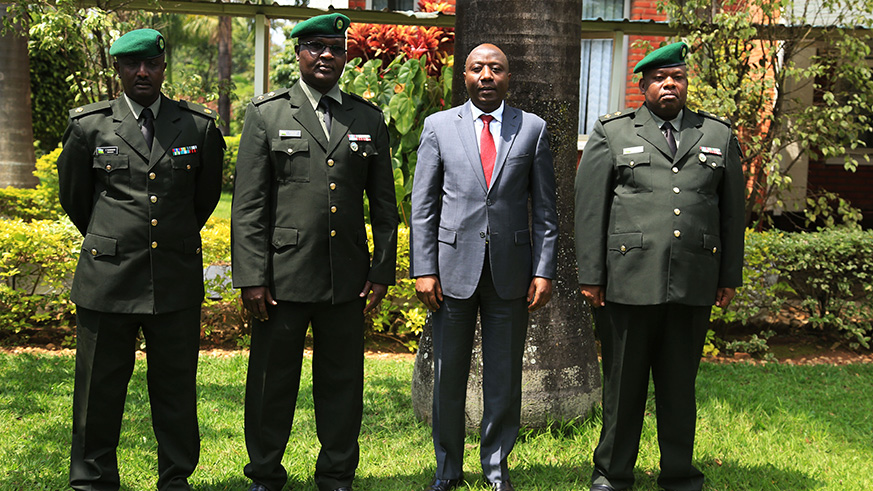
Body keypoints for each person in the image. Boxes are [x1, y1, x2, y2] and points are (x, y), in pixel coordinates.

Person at [231, 12, 398, 491]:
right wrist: (251, 277)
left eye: (337, 48)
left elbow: (384, 207)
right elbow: (248, 206)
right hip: (282, 276)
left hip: (347, 276)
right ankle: (264, 472)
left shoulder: (365, 118)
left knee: (342, 382)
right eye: (317, 47)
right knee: (271, 382)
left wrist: (381, 270)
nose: (327, 56)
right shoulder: (268, 114)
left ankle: (337, 472)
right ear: (299, 54)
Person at [57, 28, 224, 491]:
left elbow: (203, 198)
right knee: (98, 390)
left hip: (174, 279)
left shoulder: (197, 127)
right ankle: (92, 479)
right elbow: (76, 200)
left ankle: (174, 479)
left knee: (175, 391)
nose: (143, 72)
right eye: (133, 65)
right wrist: (114, 239)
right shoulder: (89, 126)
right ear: (119, 69)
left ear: (164, 67)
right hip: (107, 280)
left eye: (151, 63)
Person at [574, 42, 745, 491]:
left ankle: (679, 475)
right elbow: (590, 209)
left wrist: (728, 276)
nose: (669, 84)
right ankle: (612, 473)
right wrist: (591, 276)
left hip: (692, 281)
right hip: (626, 284)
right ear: (643, 85)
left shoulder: (717, 135)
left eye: (678, 77)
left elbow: (732, 213)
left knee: (678, 388)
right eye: (659, 78)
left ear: (686, 83)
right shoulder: (613, 132)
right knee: (623, 386)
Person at [410, 43, 558, 491]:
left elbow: (546, 211)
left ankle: (496, 469)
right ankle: (447, 469)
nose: (487, 75)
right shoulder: (439, 127)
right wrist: (424, 268)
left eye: (497, 68)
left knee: (503, 377)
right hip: (451, 272)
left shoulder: (531, 129)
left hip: (511, 273)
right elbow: (423, 206)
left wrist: (544, 269)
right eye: (478, 68)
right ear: (466, 76)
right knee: (448, 375)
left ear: (509, 78)